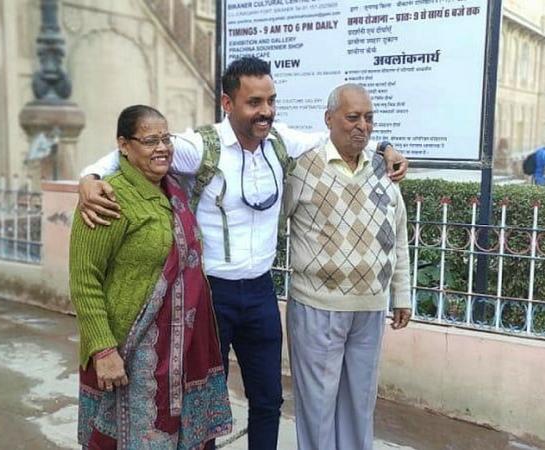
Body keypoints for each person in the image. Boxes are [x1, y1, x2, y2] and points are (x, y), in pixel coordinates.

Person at [76, 57, 408, 449]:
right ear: (227, 104)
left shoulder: (282, 142)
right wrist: (90, 177)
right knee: (203, 398)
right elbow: (143, 148)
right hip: (210, 295)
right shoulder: (201, 147)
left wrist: (387, 147)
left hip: (260, 294)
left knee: (268, 399)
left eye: (270, 100)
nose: (265, 111)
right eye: (254, 102)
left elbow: (339, 135)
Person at [69, 105, 232, 449]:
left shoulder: (175, 190)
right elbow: (84, 280)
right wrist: (103, 350)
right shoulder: (108, 198)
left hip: (183, 351)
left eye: (166, 138)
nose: (162, 147)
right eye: (150, 140)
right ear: (124, 146)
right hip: (130, 353)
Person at [283, 84, 411, 450]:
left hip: (370, 309)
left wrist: (401, 294)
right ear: (329, 119)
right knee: (318, 407)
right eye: (352, 117)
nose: (363, 126)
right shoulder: (304, 167)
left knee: (360, 404)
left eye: (369, 118)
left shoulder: (384, 169)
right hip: (317, 306)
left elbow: (398, 233)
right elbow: (274, 224)